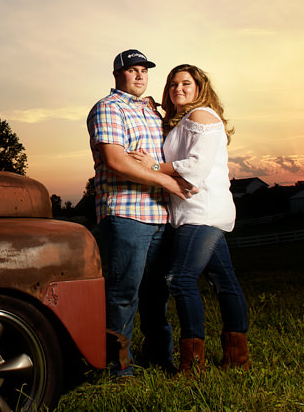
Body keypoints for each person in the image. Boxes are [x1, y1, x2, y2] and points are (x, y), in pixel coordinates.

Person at [130, 63, 250, 375]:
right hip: (190, 211)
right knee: (224, 282)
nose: (178, 89)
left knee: (180, 280)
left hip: (202, 210)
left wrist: (155, 166)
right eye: (173, 84)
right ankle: (237, 359)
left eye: (186, 83)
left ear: (199, 88)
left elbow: (195, 169)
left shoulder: (202, 116)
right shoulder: (184, 120)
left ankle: (192, 364)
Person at [87, 49, 194, 377]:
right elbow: (116, 161)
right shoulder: (108, 108)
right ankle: (117, 368)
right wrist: (166, 180)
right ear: (118, 75)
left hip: (160, 216)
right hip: (125, 213)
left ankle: (161, 358)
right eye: (132, 70)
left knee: (156, 294)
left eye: (144, 70)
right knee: (123, 293)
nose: (139, 76)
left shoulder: (152, 111)